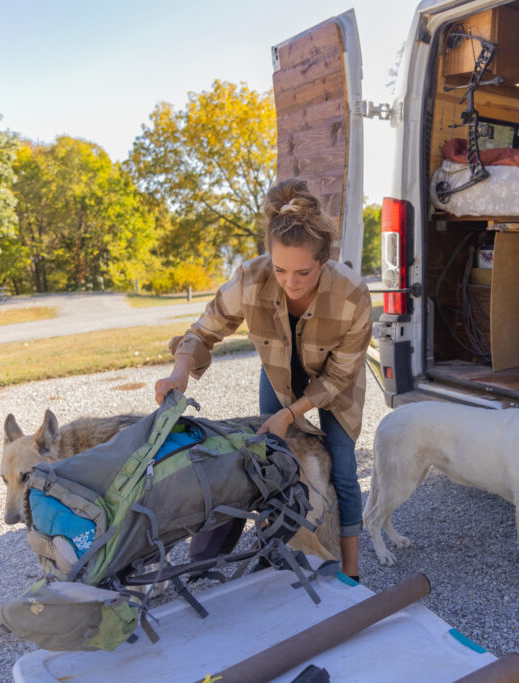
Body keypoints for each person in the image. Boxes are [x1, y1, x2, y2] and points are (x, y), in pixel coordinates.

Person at [153, 177, 372, 580]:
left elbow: (340, 375)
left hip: (336, 388)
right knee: (271, 460)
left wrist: (292, 414)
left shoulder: (353, 294)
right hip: (279, 376)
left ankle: (352, 574)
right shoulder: (250, 278)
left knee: (341, 469)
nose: (290, 282)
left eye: (303, 272)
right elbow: (204, 330)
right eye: (280, 269)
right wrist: (180, 370)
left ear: (324, 260)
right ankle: (276, 552)